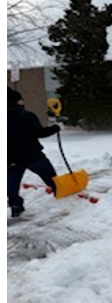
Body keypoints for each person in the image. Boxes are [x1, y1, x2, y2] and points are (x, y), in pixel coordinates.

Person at [8, 88, 60, 217]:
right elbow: (39, 133)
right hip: (32, 155)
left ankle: (15, 206)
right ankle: (61, 195)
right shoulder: (26, 115)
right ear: (18, 101)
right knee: (51, 177)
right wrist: (55, 128)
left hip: (10, 157)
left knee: (12, 183)